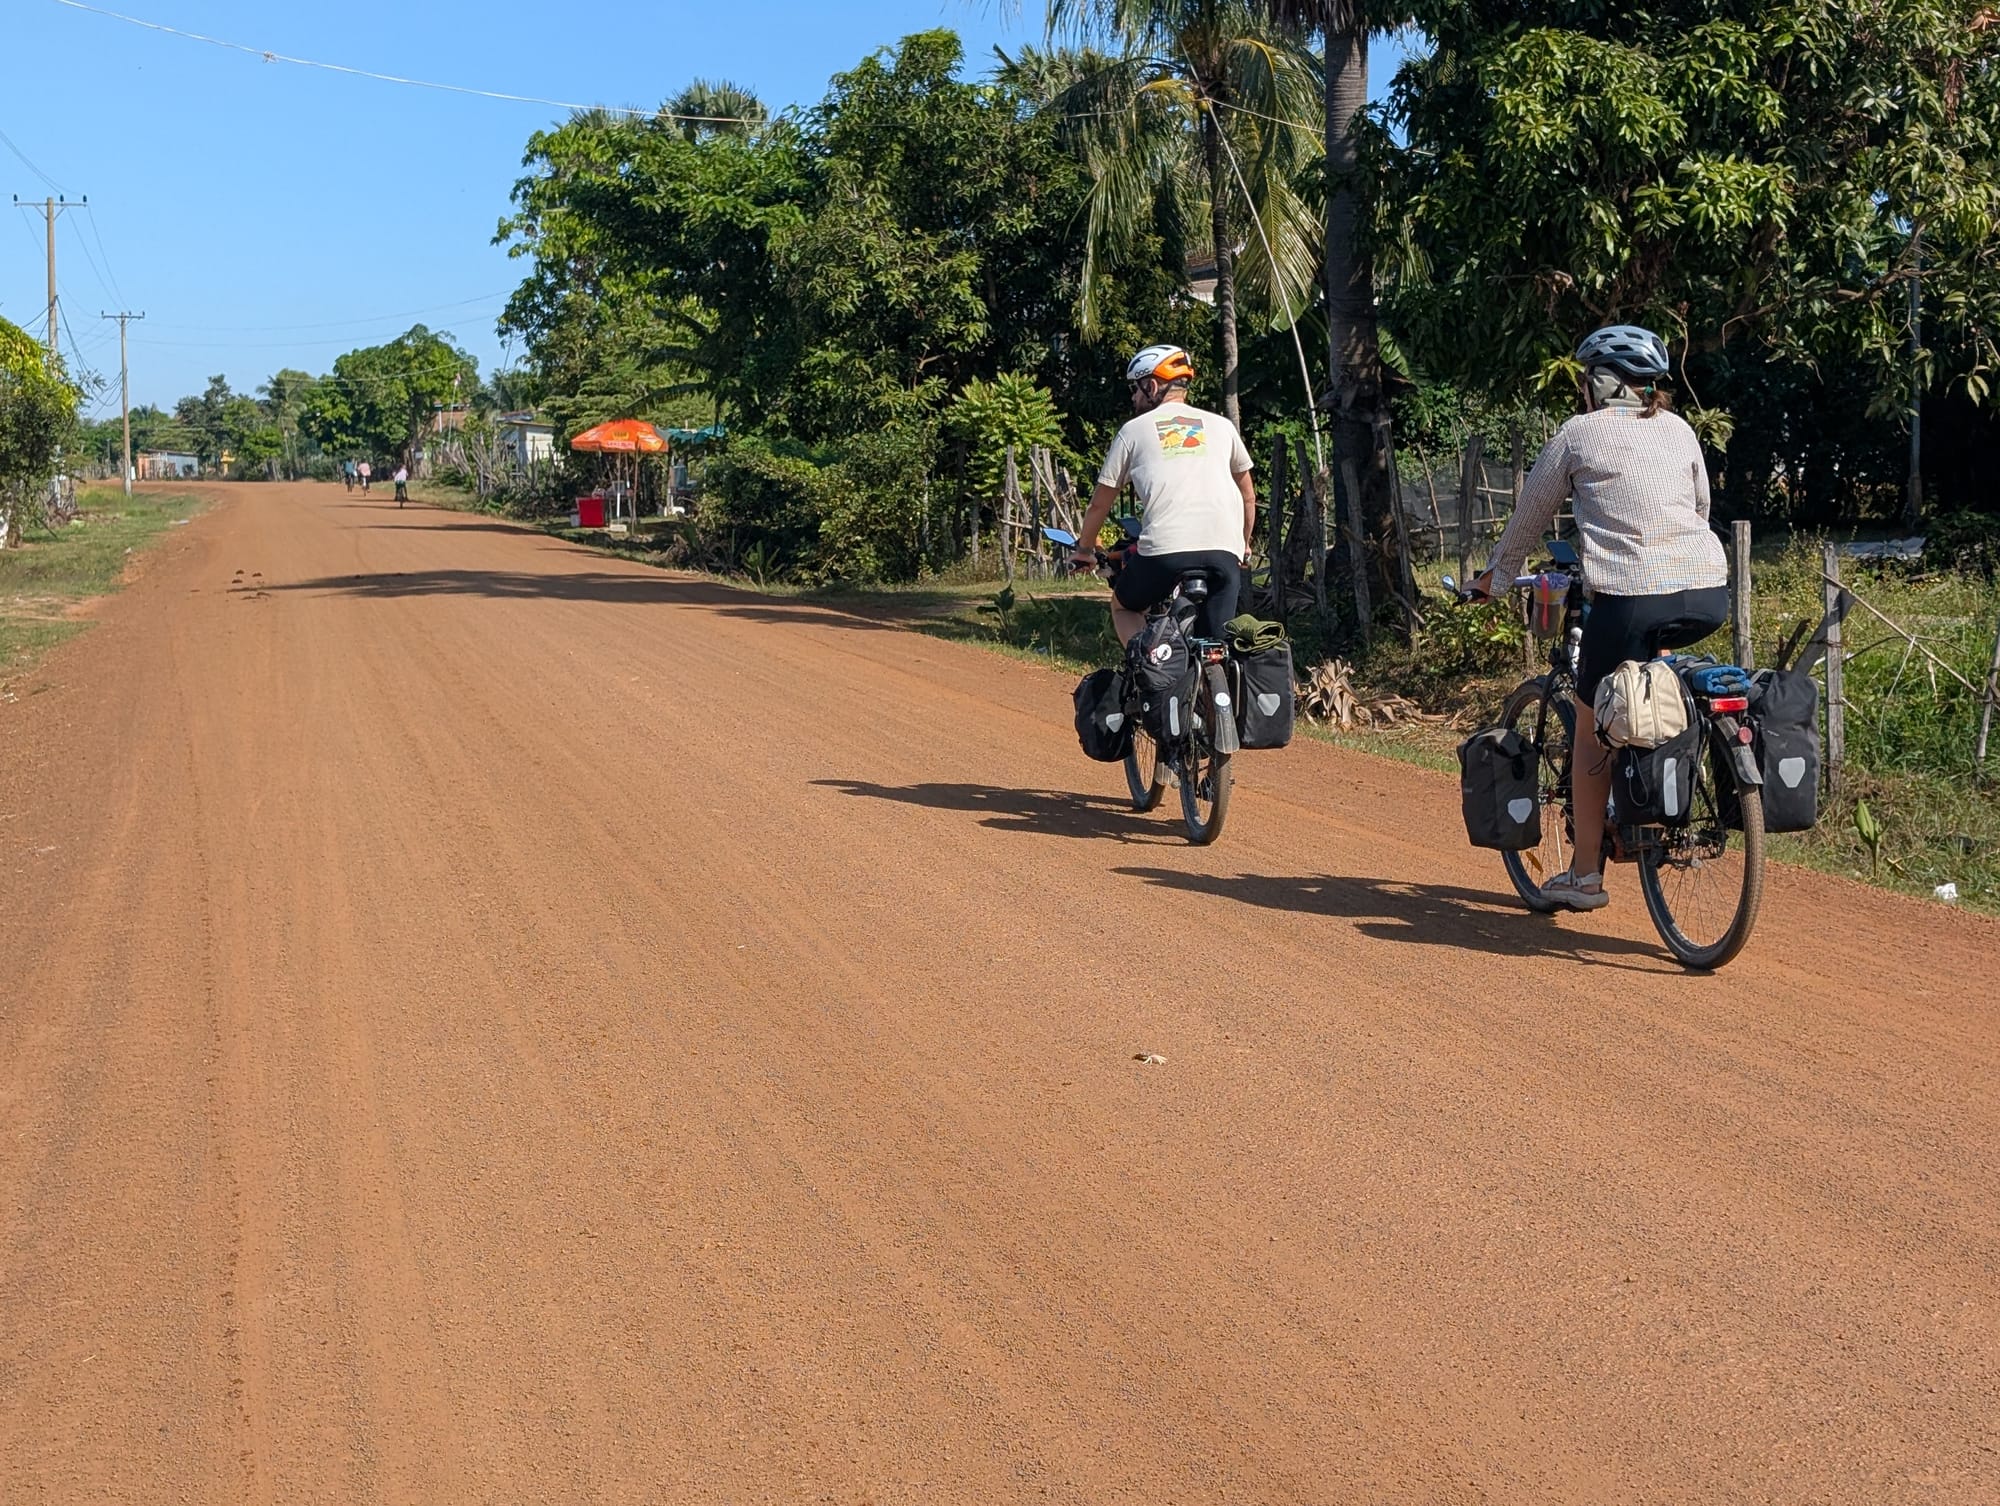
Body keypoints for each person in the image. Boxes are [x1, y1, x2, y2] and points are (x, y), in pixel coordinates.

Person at [1468, 324, 1728, 912]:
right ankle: (1660, 807)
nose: (1583, 390)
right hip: (1708, 590)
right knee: (1650, 694)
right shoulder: (1680, 430)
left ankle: (1584, 876)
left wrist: (1496, 579)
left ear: (1603, 383)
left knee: (1592, 727)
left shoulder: (1578, 434)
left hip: (1631, 596)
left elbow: (1530, 517)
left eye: (1587, 379)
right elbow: (1701, 507)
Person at [1068, 344, 1255, 643]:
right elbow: (1248, 496)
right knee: (1218, 643)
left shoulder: (1133, 431)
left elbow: (1099, 504)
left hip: (1165, 553)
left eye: (1136, 389)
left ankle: (1147, 667)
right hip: (1225, 553)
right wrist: (1243, 546)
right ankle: (1222, 684)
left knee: (1123, 606)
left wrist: (1085, 550)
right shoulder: (1223, 426)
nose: (1133, 397)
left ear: (1152, 386)